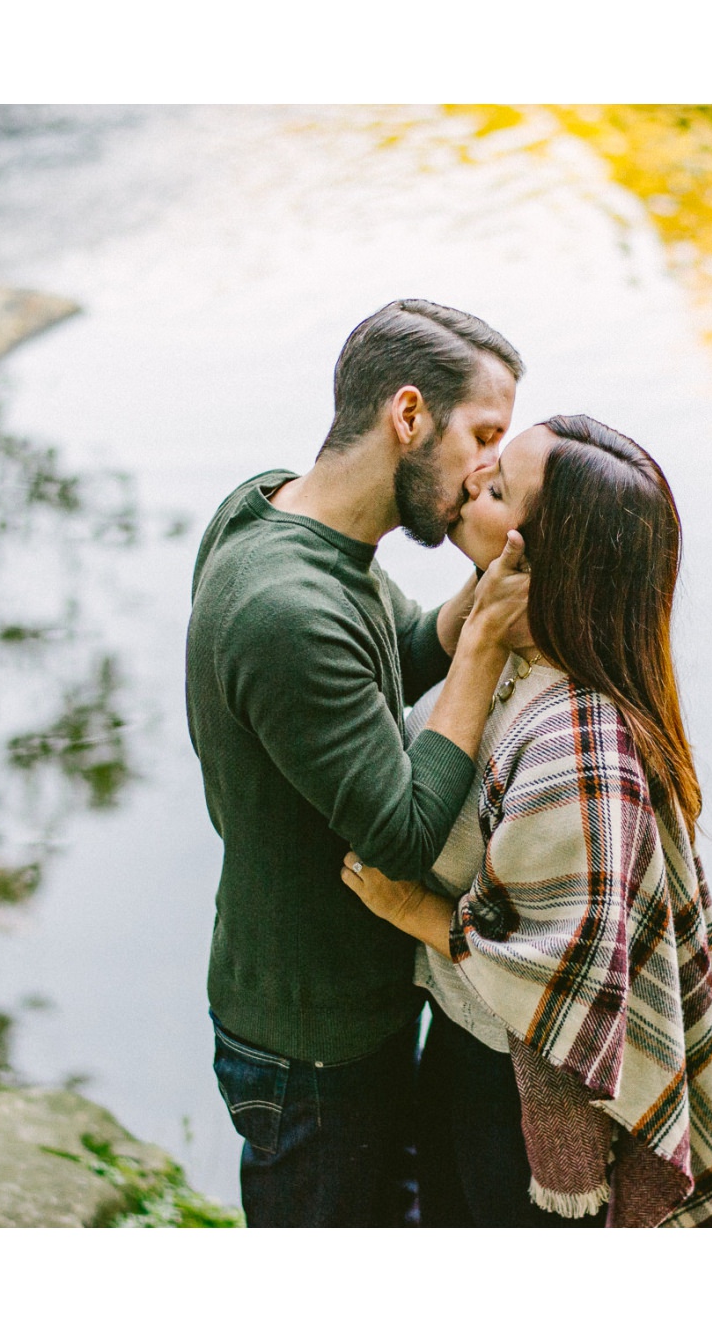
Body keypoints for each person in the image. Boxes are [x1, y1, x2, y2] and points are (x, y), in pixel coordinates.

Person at [341, 414, 712, 1227]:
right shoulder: (503, 651)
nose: (474, 478)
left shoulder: (576, 743)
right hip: (462, 1037)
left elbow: (552, 964)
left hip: (516, 1085)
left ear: (541, 558)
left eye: (500, 487)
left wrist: (409, 907)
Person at [186, 300, 534, 1226]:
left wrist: (477, 600)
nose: (492, 468)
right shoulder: (287, 612)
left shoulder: (275, 511)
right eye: (484, 436)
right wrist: (489, 648)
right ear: (409, 415)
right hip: (313, 1048)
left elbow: (394, 649)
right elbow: (407, 833)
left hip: (344, 1015)